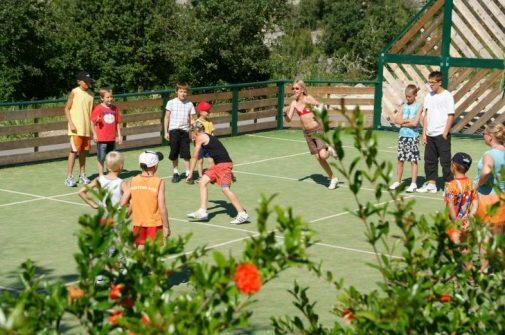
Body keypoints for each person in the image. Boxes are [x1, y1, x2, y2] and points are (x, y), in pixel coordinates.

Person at [185, 122, 249, 225]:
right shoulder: (206, 135)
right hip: (217, 165)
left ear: (195, 131)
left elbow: (195, 157)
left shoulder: (200, 137)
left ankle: (242, 213)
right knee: (202, 182)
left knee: (225, 189)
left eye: (190, 133)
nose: (190, 135)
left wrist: (190, 173)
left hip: (223, 165)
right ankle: (202, 211)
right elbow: (220, 151)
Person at [283, 80, 339, 190]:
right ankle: (333, 178)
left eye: (297, 88)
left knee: (323, 155)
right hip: (307, 133)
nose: (295, 90)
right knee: (319, 158)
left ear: (302, 89)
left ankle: (331, 150)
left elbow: (321, 106)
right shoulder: (294, 103)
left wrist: (318, 109)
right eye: (293, 88)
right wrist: (284, 113)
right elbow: (288, 120)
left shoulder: (308, 98)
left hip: (317, 129)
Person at [121, 151, 170, 248]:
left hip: (138, 223)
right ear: (155, 166)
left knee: (140, 250)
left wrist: (132, 203)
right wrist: (166, 226)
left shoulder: (133, 180)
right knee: (153, 253)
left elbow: (122, 202)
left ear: (140, 165)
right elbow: (162, 207)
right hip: (154, 224)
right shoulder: (159, 182)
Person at [417, 71, 455, 193]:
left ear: (440, 82)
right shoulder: (429, 96)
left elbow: (451, 116)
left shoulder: (447, 96)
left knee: (445, 162)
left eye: (433, 83)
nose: (431, 85)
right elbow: (426, 115)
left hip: (442, 135)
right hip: (429, 135)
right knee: (429, 161)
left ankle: (449, 186)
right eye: (429, 83)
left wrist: (445, 133)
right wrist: (424, 133)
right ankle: (431, 184)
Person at [390, 84, 423, 193]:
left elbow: (415, 123)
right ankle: (398, 181)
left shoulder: (419, 106)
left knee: (413, 160)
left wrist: (403, 122)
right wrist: (405, 121)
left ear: (415, 95)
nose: (407, 98)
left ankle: (413, 184)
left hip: (413, 137)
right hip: (402, 136)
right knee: (400, 159)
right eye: (406, 96)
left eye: (409, 96)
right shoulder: (404, 106)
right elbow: (396, 120)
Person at [64, 71, 94, 187]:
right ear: (79, 81)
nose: (87, 83)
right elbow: (66, 109)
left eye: (89, 81)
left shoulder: (91, 95)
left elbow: (91, 113)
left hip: (86, 129)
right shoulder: (74, 92)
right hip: (75, 129)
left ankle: (82, 175)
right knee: (74, 151)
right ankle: (69, 177)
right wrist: (71, 123)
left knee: (83, 153)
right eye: (85, 81)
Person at [474, 122, 505, 235]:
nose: (483, 136)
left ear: (490, 137)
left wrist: (478, 184)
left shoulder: (490, 154)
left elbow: (486, 171)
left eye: (484, 134)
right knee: (499, 242)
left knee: (485, 241)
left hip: (489, 199)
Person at [163, 82, 196, 183]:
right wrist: (166, 132)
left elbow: (192, 119)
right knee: (174, 152)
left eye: (185, 92)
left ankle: (188, 174)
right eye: (181, 91)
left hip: (185, 131)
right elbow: (167, 117)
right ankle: (176, 172)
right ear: (176, 91)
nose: (183, 93)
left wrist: (193, 132)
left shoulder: (190, 104)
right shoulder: (171, 102)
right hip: (173, 131)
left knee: (186, 153)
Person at [91, 88, 123, 176]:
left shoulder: (115, 108)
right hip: (101, 139)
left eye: (111, 97)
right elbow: (92, 123)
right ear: (102, 98)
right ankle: (101, 175)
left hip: (112, 138)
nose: (110, 99)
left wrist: (119, 135)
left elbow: (117, 123)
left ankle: (109, 174)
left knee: (111, 158)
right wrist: (94, 134)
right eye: (107, 97)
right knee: (101, 158)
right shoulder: (98, 108)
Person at [444, 152, 478, 230]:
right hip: (466, 223)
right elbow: (475, 203)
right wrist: (470, 218)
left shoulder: (450, 185)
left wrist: (456, 222)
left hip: (453, 224)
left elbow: (450, 206)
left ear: (453, 166)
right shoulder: (471, 183)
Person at [195, 101, 215, 180]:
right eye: (206, 111)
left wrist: (213, 142)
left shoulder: (209, 122)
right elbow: (195, 136)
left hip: (209, 145)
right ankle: (200, 176)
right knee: (200, 161)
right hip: (200, 146)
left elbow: (212, 133)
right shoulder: (197, 123)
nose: (208, 112)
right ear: (200, 112)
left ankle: (210, 175)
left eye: (209, 111)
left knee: (211, 161)